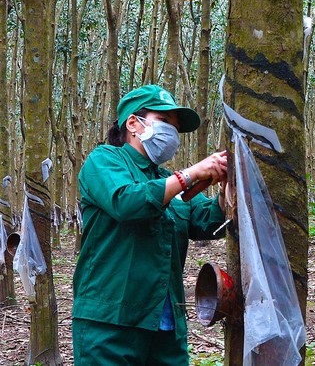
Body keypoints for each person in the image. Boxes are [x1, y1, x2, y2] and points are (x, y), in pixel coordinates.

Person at [72, 85, 230, 365]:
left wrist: (226, 189)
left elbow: (207, 220)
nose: (171, 133)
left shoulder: (166, 177)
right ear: (133, 123)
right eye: (165, 121)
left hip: (166, 326)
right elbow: (126, 202)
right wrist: (191, 174)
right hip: (111, 323)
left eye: (175, 128)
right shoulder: (104, 161)